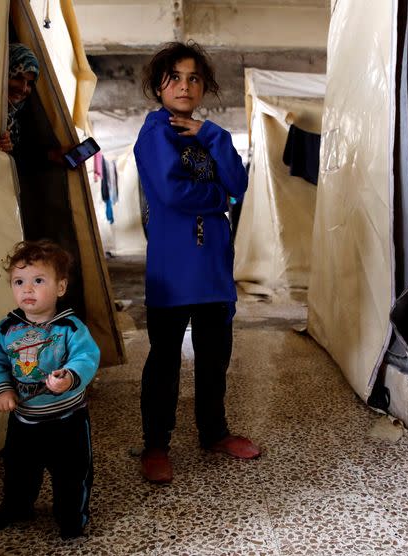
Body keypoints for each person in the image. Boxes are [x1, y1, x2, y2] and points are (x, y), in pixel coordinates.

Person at [133, 41, 260, 484]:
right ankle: (155, 444)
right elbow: (173, 193)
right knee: (165, 358)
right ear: (158, 85)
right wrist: (218, 198)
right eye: (174, 78)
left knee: (214, 356)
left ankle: (214, 432)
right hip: (173, 267)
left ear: (203, 86)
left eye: (193, 78)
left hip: (212, 268)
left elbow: (239, 184)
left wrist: (213, 135)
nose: (184, 86)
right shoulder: (155, 133)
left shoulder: (210, 134)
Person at [0, 239, 100, 539]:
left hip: (68, 421)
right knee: (18, 472)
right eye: (19, 281)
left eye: (38, 281)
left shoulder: (70, 327)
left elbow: (87, 357)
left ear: (60, 287)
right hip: (24, 421)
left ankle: (72, 515)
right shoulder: (7, 329)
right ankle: (18, 506)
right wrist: (2, 389)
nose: (27, 289)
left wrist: (71, 376)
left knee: (71, 475)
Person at [0, 43, 39, 154]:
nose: (23, 89)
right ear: (4, 73)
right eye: (18, 78)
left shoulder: (18, 115)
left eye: (29, 83)